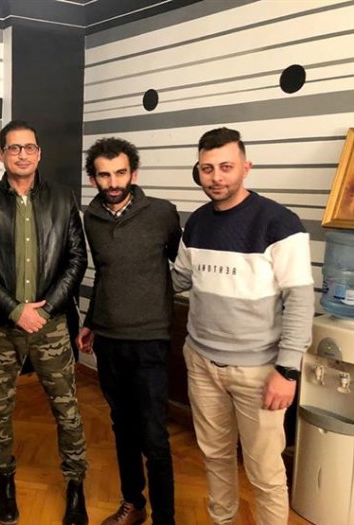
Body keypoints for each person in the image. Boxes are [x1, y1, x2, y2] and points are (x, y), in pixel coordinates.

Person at [172, 127, 314, 525]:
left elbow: (300, 300)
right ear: (198, 171)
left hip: (260, 371)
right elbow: (179, 279)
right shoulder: (197, 223)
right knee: (215, 457)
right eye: (207, 169)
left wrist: (287, 371)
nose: (216, 177)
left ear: (245, 167)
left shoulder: (279, 222)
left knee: (265, 473)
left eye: (226, 167)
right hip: (201, 362)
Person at [0, 120, 89, 525]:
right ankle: (5, 479)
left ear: (39, 153)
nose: (22, 154)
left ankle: (75, 484)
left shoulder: (63, 198)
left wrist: (48, 307)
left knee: (67, 409)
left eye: (29, 147)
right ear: (1, 154)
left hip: (51, 326)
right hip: (3, 327)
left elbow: (76, 258)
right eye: (14, 148)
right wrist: (15, 309)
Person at [76, 137, 181, 525]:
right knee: (122, 426)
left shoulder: (163, 213)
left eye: (120, 173)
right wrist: (91, 321)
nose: (113, 182)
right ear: (93, 179)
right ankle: (133, 503)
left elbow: (180, 267)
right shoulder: (91, 218)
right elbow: (105, 274)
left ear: (133, 174)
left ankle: (164, 518)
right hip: (109, 340)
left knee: (154, 435)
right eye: (104, 175)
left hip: (150, 340)